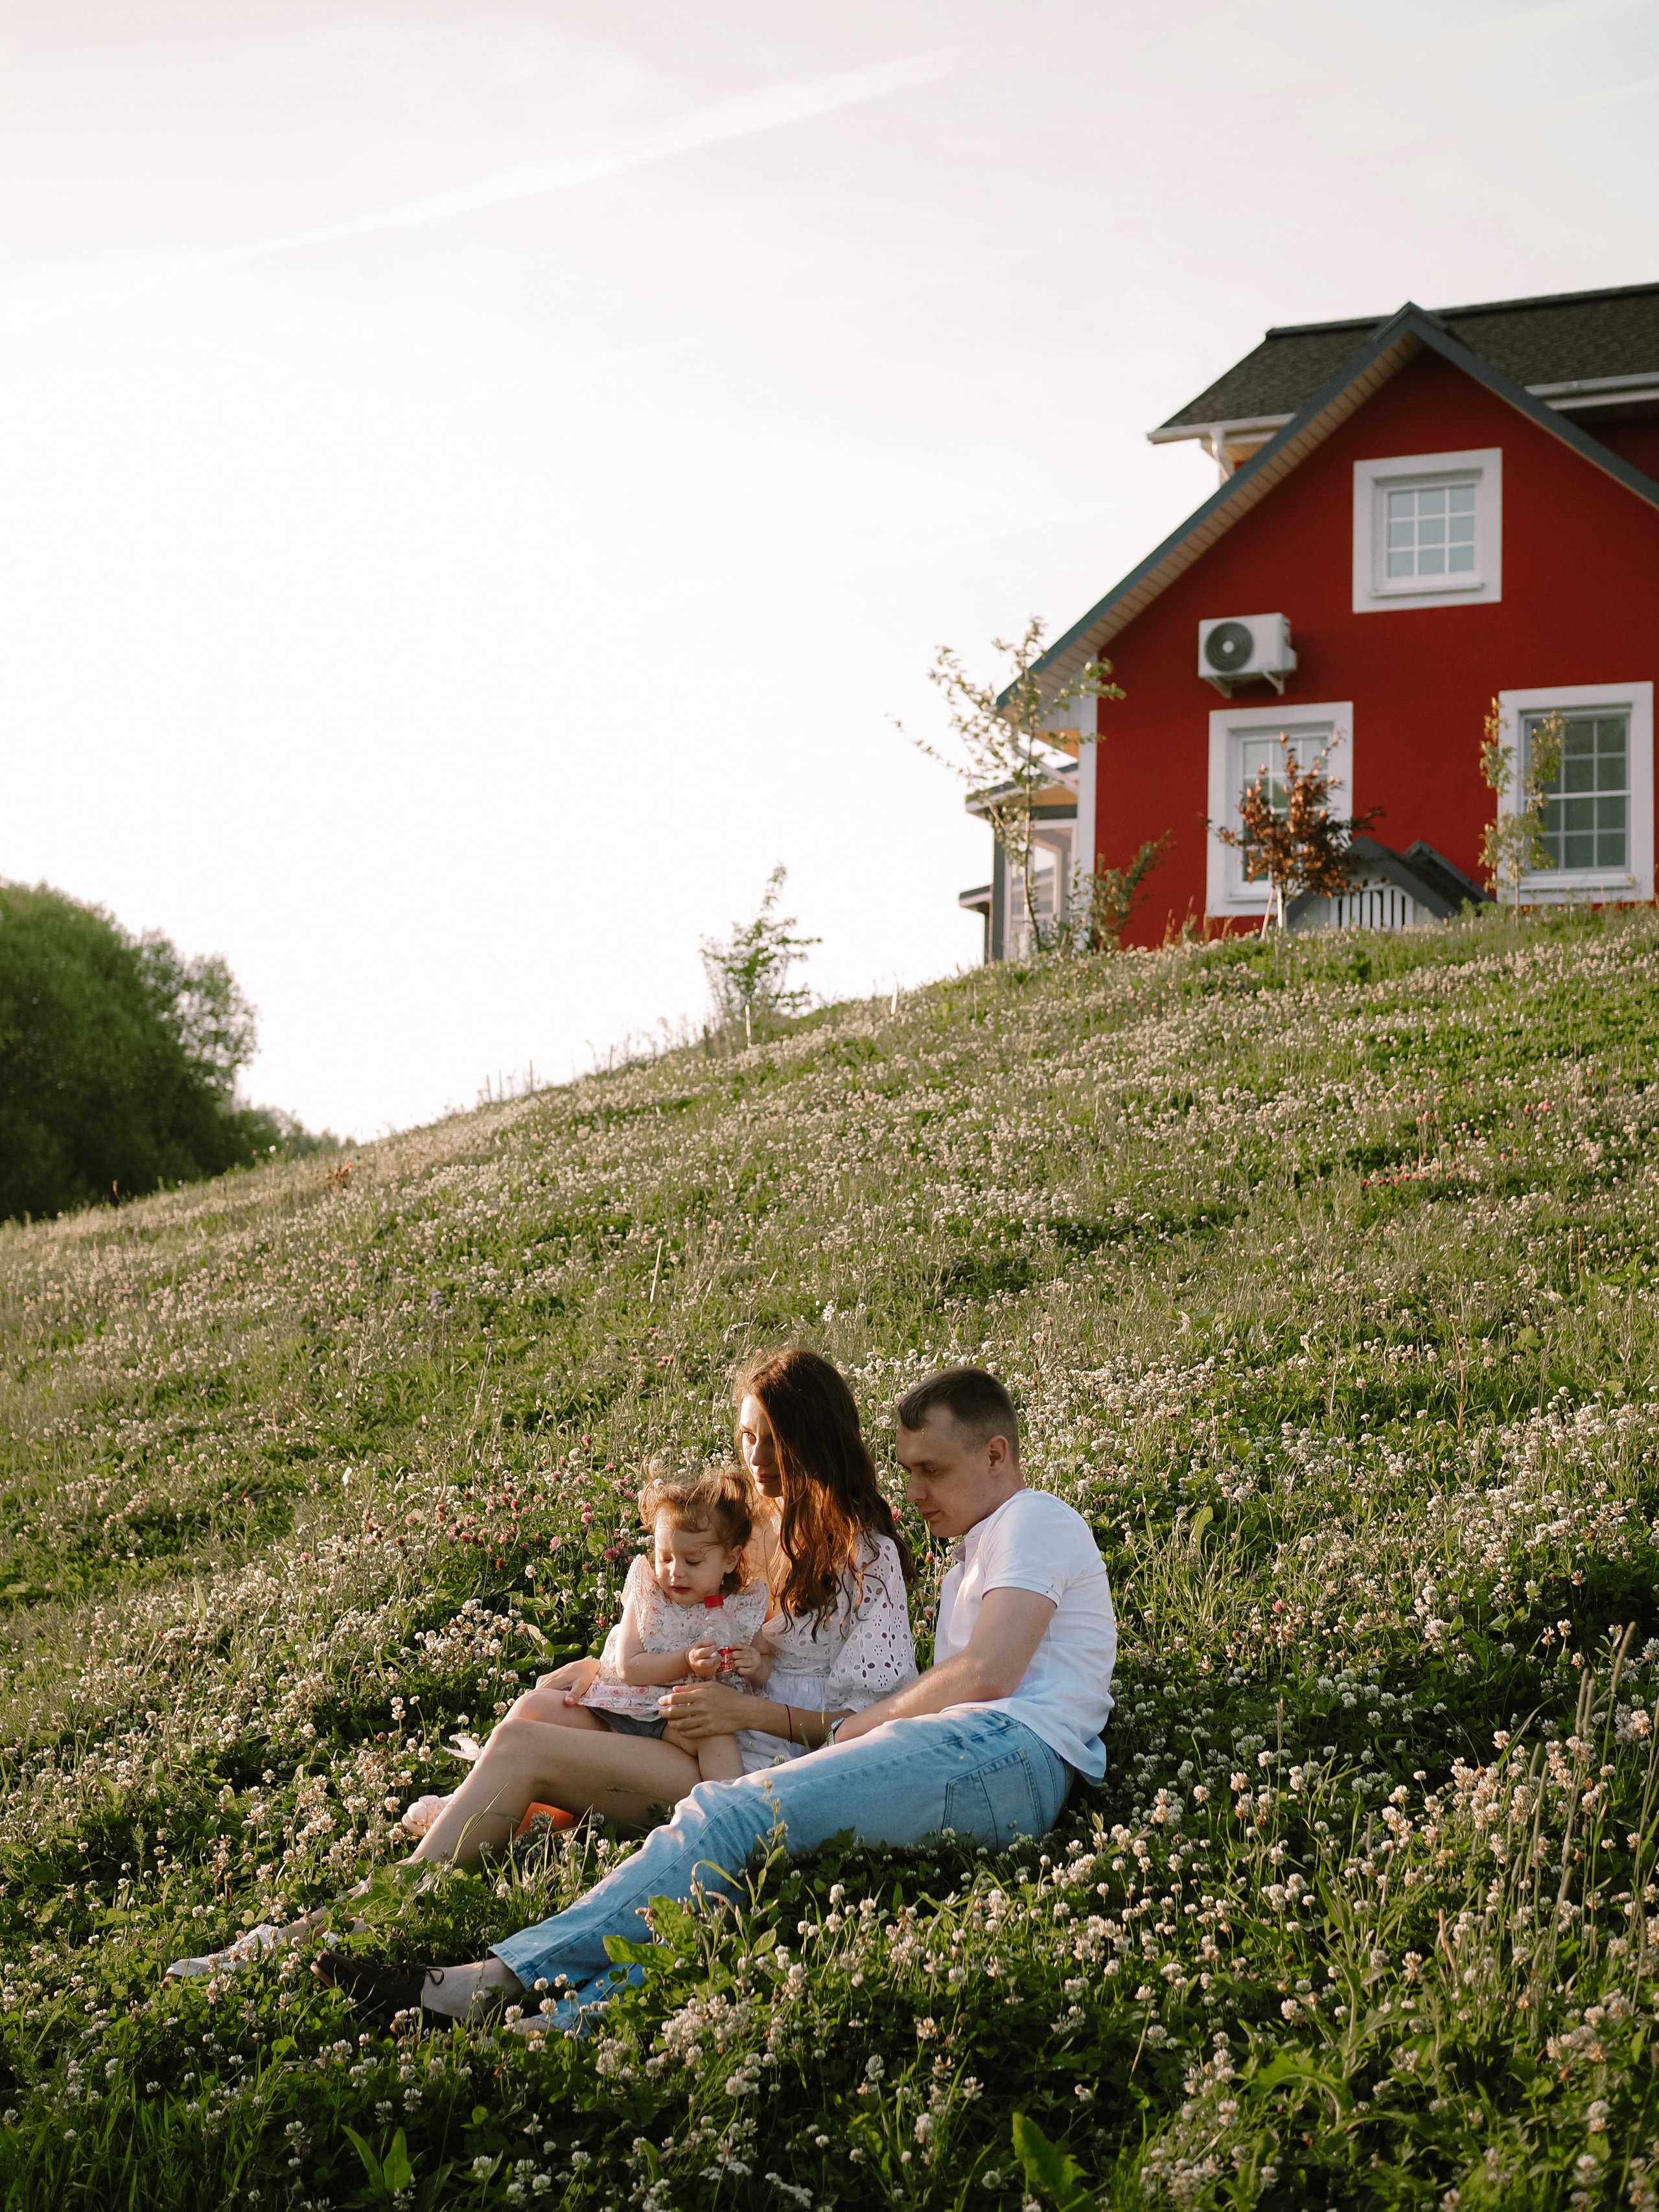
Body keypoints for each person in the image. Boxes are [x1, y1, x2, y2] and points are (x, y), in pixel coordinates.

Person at [317, 1364, 1117, 2029]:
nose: (912, 1490)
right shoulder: (975, 1553)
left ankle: (484, 1983)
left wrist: (845, 1734)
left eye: (930, 1469)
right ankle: (558, 2017)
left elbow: (984, 1676)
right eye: (905, 1469)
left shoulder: (1032, 1517)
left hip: (1002, 1751)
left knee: (729, 1813)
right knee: (764, 1864)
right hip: (978, 1761)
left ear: (997, 1454)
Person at [392, 1346, 918, 1866]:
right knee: (538, 1707)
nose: (755, 1459)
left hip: (763, 1764)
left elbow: (875, 1723)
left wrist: (748, 1711)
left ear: (815, 1441)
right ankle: (499, 1822)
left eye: (774, 1441)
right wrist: (607, 1663)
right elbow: (675, 1615)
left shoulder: (867, 1559)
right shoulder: (742, 1527)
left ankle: (404, 1885)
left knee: (521, 1745)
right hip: (689, 1722)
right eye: (747, 1437)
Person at [575, 1465, 771, 1783]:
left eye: (692, 1561)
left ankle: (730, 1804)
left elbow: (770, 1668)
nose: (675, 1572)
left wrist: (757, 1665)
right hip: (621, 1707)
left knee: (714, 1733)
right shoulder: (649, 1595)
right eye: (665, 1557)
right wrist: (685, 1661)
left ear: (731, 1560)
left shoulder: (741, 1607)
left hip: (684, 1720)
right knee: (543, 1710)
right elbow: (628, 1667)